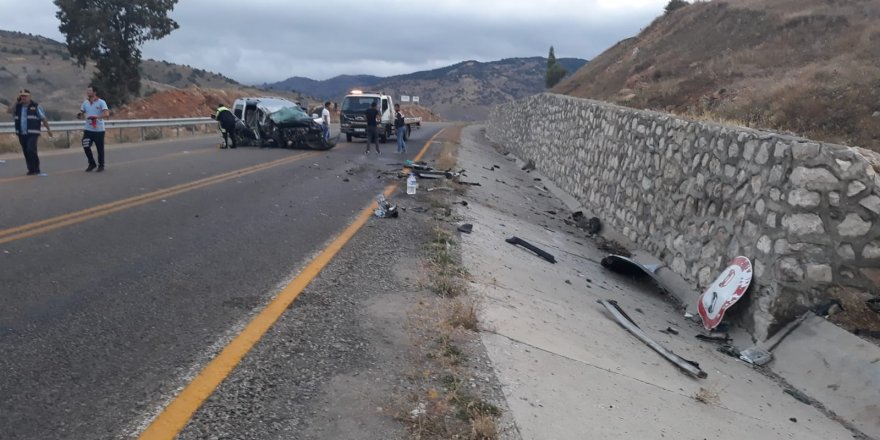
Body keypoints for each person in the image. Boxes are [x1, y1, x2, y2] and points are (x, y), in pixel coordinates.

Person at [7, 89, 52, 176]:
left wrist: (48, 129)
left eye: (25, 96)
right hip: (21, 133)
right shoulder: (18, 106)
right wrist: (16, 101)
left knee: (31, 149)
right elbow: (9, 111)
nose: (23, 98)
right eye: (21, 96)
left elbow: (43, 118)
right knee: (26, 151)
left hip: (33, 133)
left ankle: (36, 168)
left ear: (30, 97)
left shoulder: (36, 106)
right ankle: (31, 169)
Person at [76, 85, 110, 172]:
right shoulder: (85, 103)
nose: (88, 92)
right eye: (87, 91)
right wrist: (80, 115)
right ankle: (92, 163)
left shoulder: (101, 102)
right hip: (88, 129)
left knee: (99, 148)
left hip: (99, 130)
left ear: (94, 92)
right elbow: (82, 113)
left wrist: (97, 117)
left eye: (90, 91)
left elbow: (106, 114)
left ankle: (101, 165)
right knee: (85, 145)